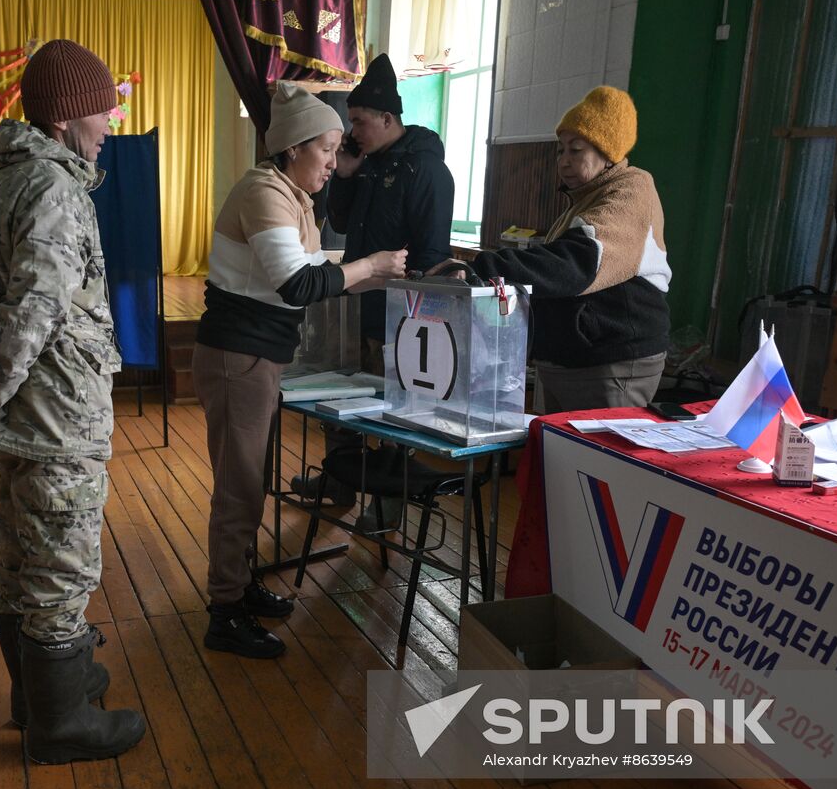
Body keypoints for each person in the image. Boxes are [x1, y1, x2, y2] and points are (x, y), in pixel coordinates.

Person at [0, 39, 146, 764]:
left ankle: (40, 697)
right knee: (59, 569)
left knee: (24, 560)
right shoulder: (56, 191)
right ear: (64, 118)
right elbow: (34, 309)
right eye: (104, 105)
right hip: (58, 421)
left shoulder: (2, 182)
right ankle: (61, 726)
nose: (115, 117)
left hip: (17, 421)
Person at [195, 83, 407, 659]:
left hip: (257, 354)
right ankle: (225, 611)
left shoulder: (288, 192)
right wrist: (369, 264)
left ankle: (237, 586)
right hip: (240, 355)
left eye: (339, 150)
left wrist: (373, 272)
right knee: (239, 487)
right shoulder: (265, 192)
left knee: (250, 480)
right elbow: (298, 282)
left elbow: (313, 263)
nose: (335, 163)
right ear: (292, 148)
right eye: (328, 150)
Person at [292, 54, 456, 522]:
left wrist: (414, 319)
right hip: (358, 304)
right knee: (343, 400)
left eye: (360, 122)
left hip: (401, 314)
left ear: (388, 119)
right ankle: (341, 480)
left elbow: (431, 254)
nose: (353, 131)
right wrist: (343, 176)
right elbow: (340, 222)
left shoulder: (424, 171)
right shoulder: (367, 163)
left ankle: (389, 500)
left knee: (391, 409)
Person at [438, 85, 671, 413]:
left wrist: (483, 267)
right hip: (568, 362)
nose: (563, 162)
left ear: (608, 153)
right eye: (560, 151)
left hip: (610, 363)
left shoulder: (632, 191)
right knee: (556, 458)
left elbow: (577, 264)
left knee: (599, 461)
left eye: (576, 150)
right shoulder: (585, 200)